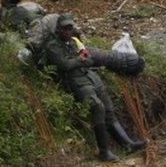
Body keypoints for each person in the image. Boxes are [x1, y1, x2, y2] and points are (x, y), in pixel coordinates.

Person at [43, 14, 146, 161]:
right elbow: (65, 65)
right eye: (65, 28)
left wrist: (80, 61)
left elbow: (89, 59)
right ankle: (104, 151)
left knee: (109, 108)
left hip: (90, 77)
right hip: (75, 82)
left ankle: (127, 143)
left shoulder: (74, 41)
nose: (68, 31)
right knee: (97, 107)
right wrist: (79, 60)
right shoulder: (52, 46)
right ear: (58, 29)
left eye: (70, 28)